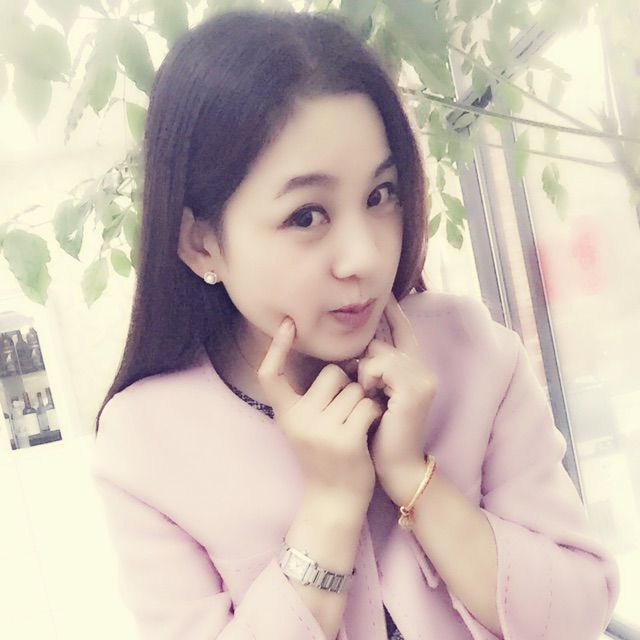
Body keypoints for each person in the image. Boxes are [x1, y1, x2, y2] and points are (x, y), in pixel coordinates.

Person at [91, 8, 619, 640]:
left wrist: (413, 477)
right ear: (200, 242)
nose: (366, 257)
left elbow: (579, 614)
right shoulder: (146, 444)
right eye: (306, 215)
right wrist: (331, 508)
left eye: (379, 195)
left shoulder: (472, 352)